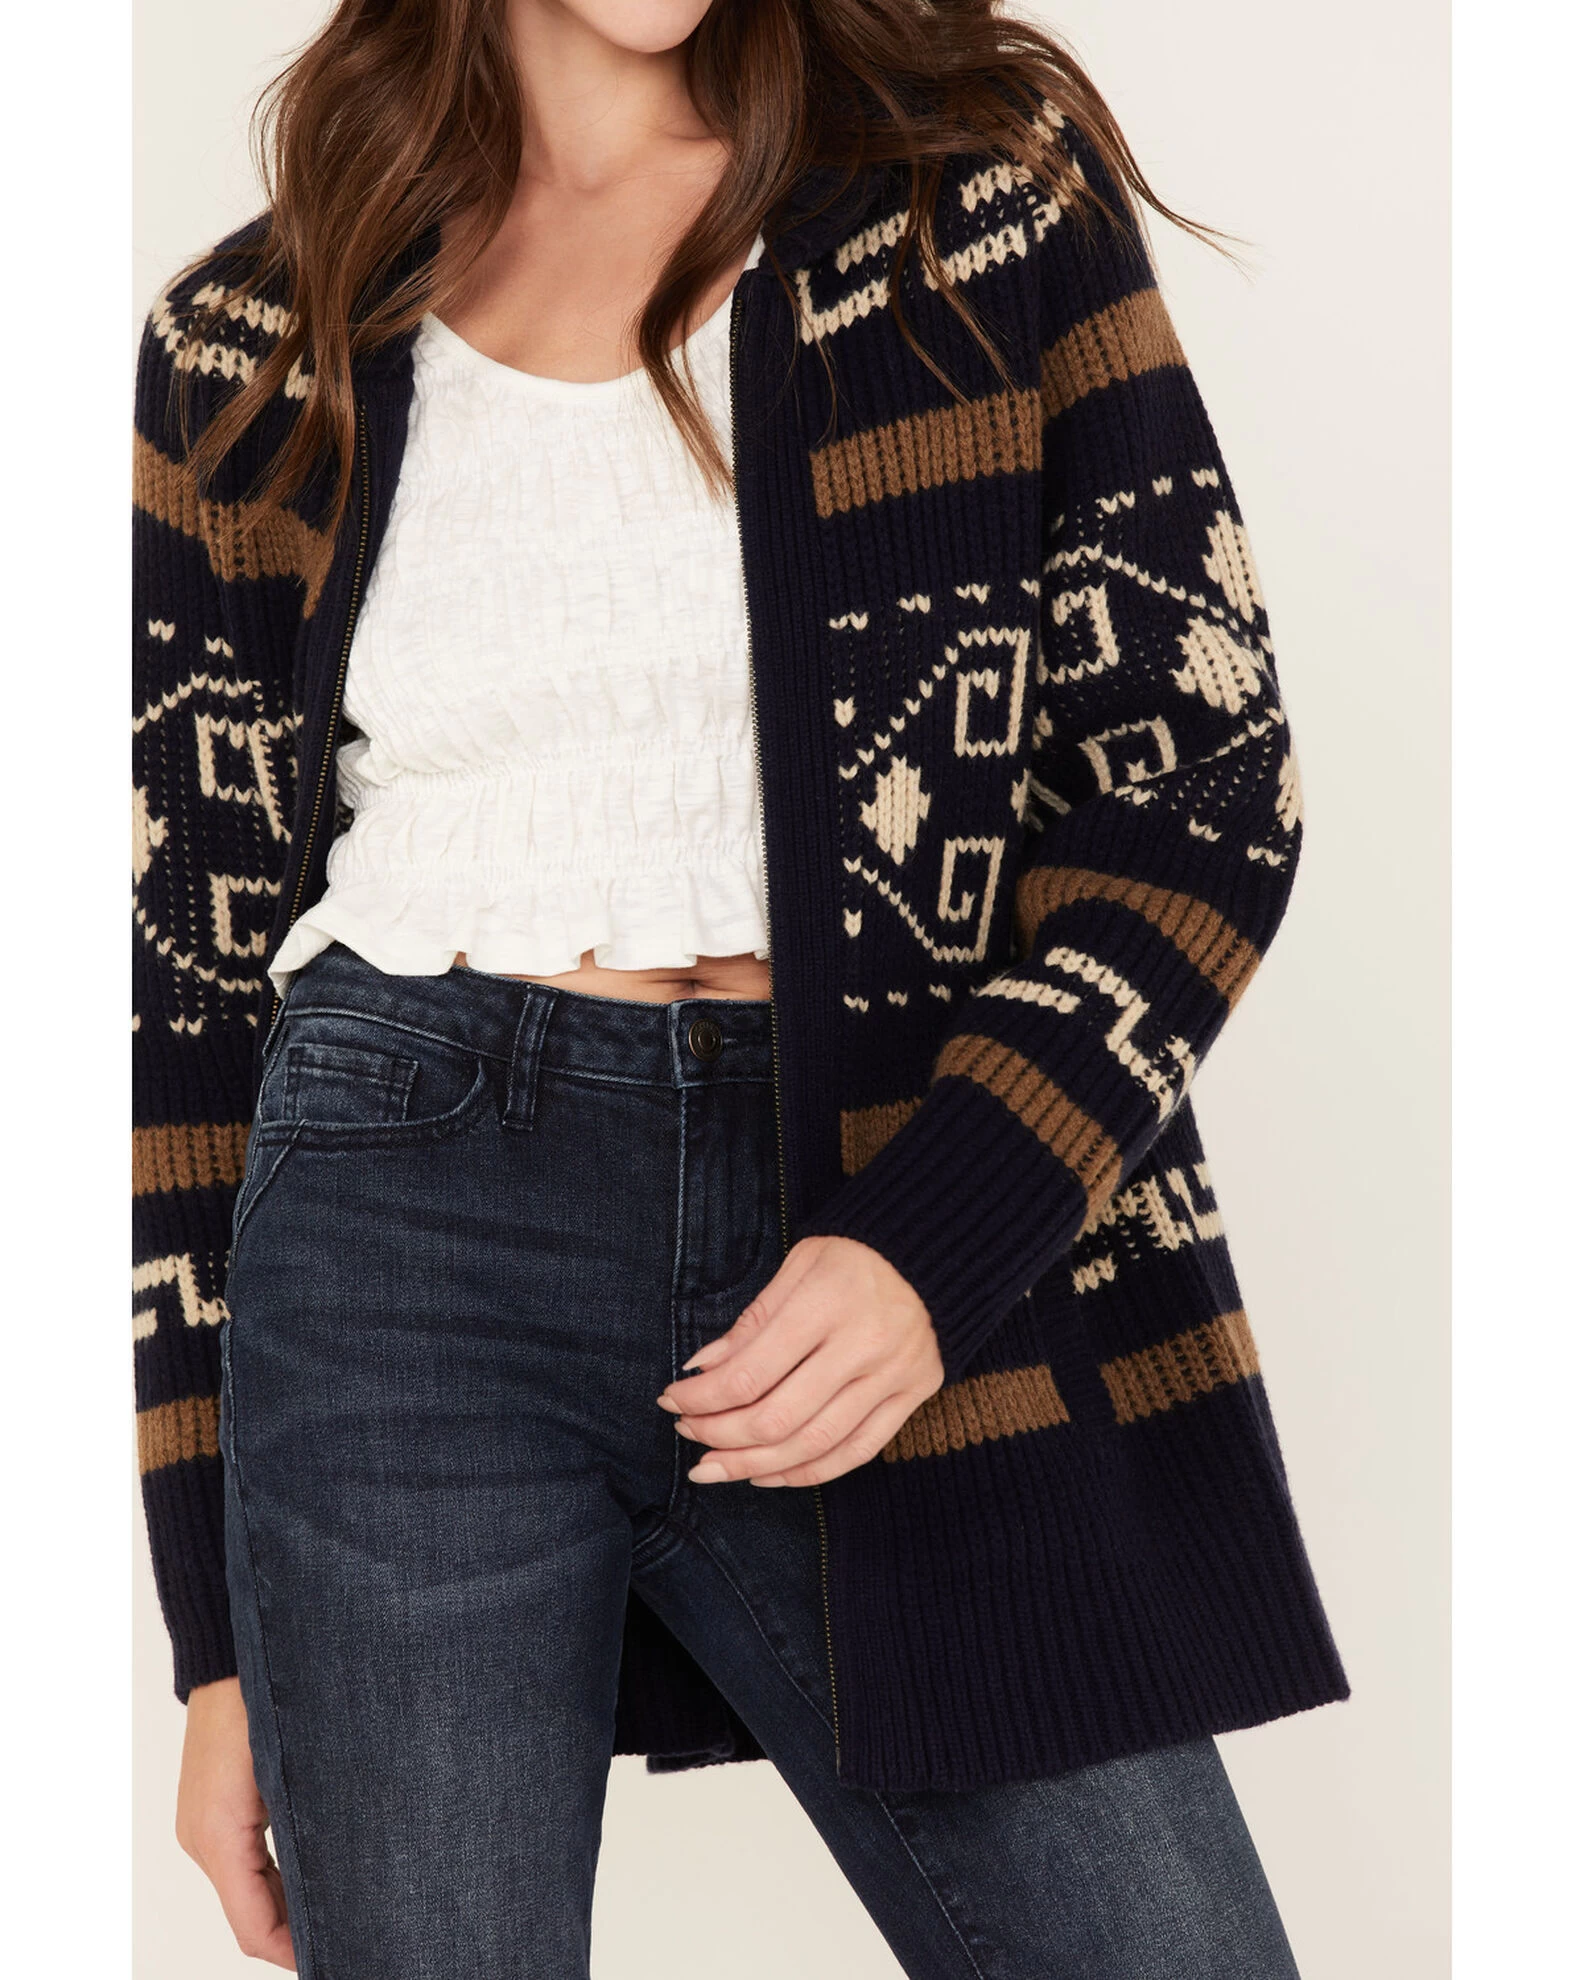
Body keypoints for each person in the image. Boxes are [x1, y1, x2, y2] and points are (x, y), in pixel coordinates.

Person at [132, 1, 1349, 1973]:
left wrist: (935, 1240)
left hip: (876, 1193)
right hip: (395, 1248)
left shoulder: (971, 210)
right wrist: (217, 1639)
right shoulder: (252, 340)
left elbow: (1204, 787)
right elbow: (189, 990)